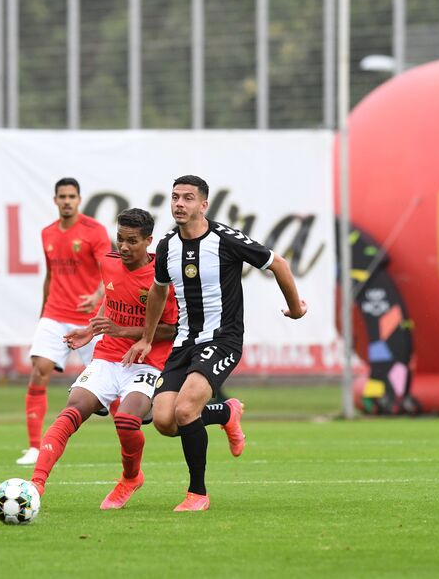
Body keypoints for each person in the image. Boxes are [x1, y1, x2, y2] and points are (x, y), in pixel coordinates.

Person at [124, 175, 307, 512]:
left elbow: (277, 263)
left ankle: (198, 494)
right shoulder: (166, 246)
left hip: (223, 340)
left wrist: (295, 309)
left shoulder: (224, 239)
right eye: (175, 197)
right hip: (184, 343)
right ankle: (226, 412)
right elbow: (158, 290)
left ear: (203, 205)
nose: (179, 204)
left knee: (185, 409)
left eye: (188, 198)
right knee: (164, 421)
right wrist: (147, 339)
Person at [29, 208, 178, 509]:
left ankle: (130, 477)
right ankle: (35, 486)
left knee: (125, 420)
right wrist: (90, 330)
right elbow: (110, 302)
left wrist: (122, 330)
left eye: (132, 241)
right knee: (72, 411)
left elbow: (170, 330)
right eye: (120, 239)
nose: (123, 247)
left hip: (147, 362)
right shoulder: (110, 264)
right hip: (108, 356)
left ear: (148, 241)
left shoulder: (161, 279)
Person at [18, 178, 112, 465]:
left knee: (110, 381)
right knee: (39, 369)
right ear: (55, 200)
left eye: (72, 196)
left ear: (79, 199)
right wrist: (43, 310)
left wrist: (97, 296)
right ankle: (34, 447)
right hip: (55, 313)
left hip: (90, 320)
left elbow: (109, 268)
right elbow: (50, 275)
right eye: (63, 196)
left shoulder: (94, 231)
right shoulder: (47, 233)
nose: (67, 201)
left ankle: (126, 443)